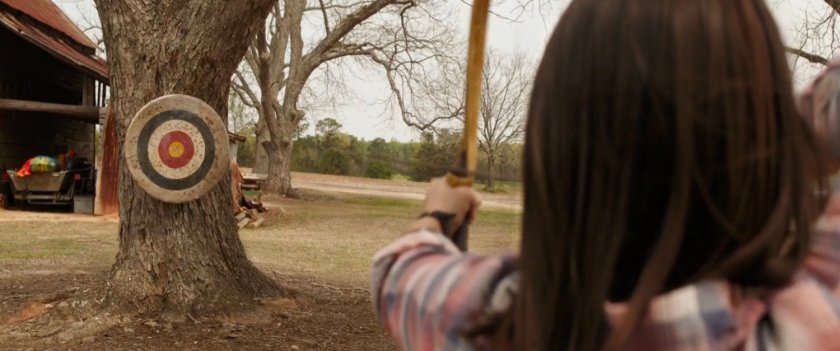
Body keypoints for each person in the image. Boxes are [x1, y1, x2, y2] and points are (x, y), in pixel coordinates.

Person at [370, 0, 840, 349]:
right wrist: (761, 118)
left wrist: (434, 215)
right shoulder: (806, 323)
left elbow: (398, 271)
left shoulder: (495, 323)